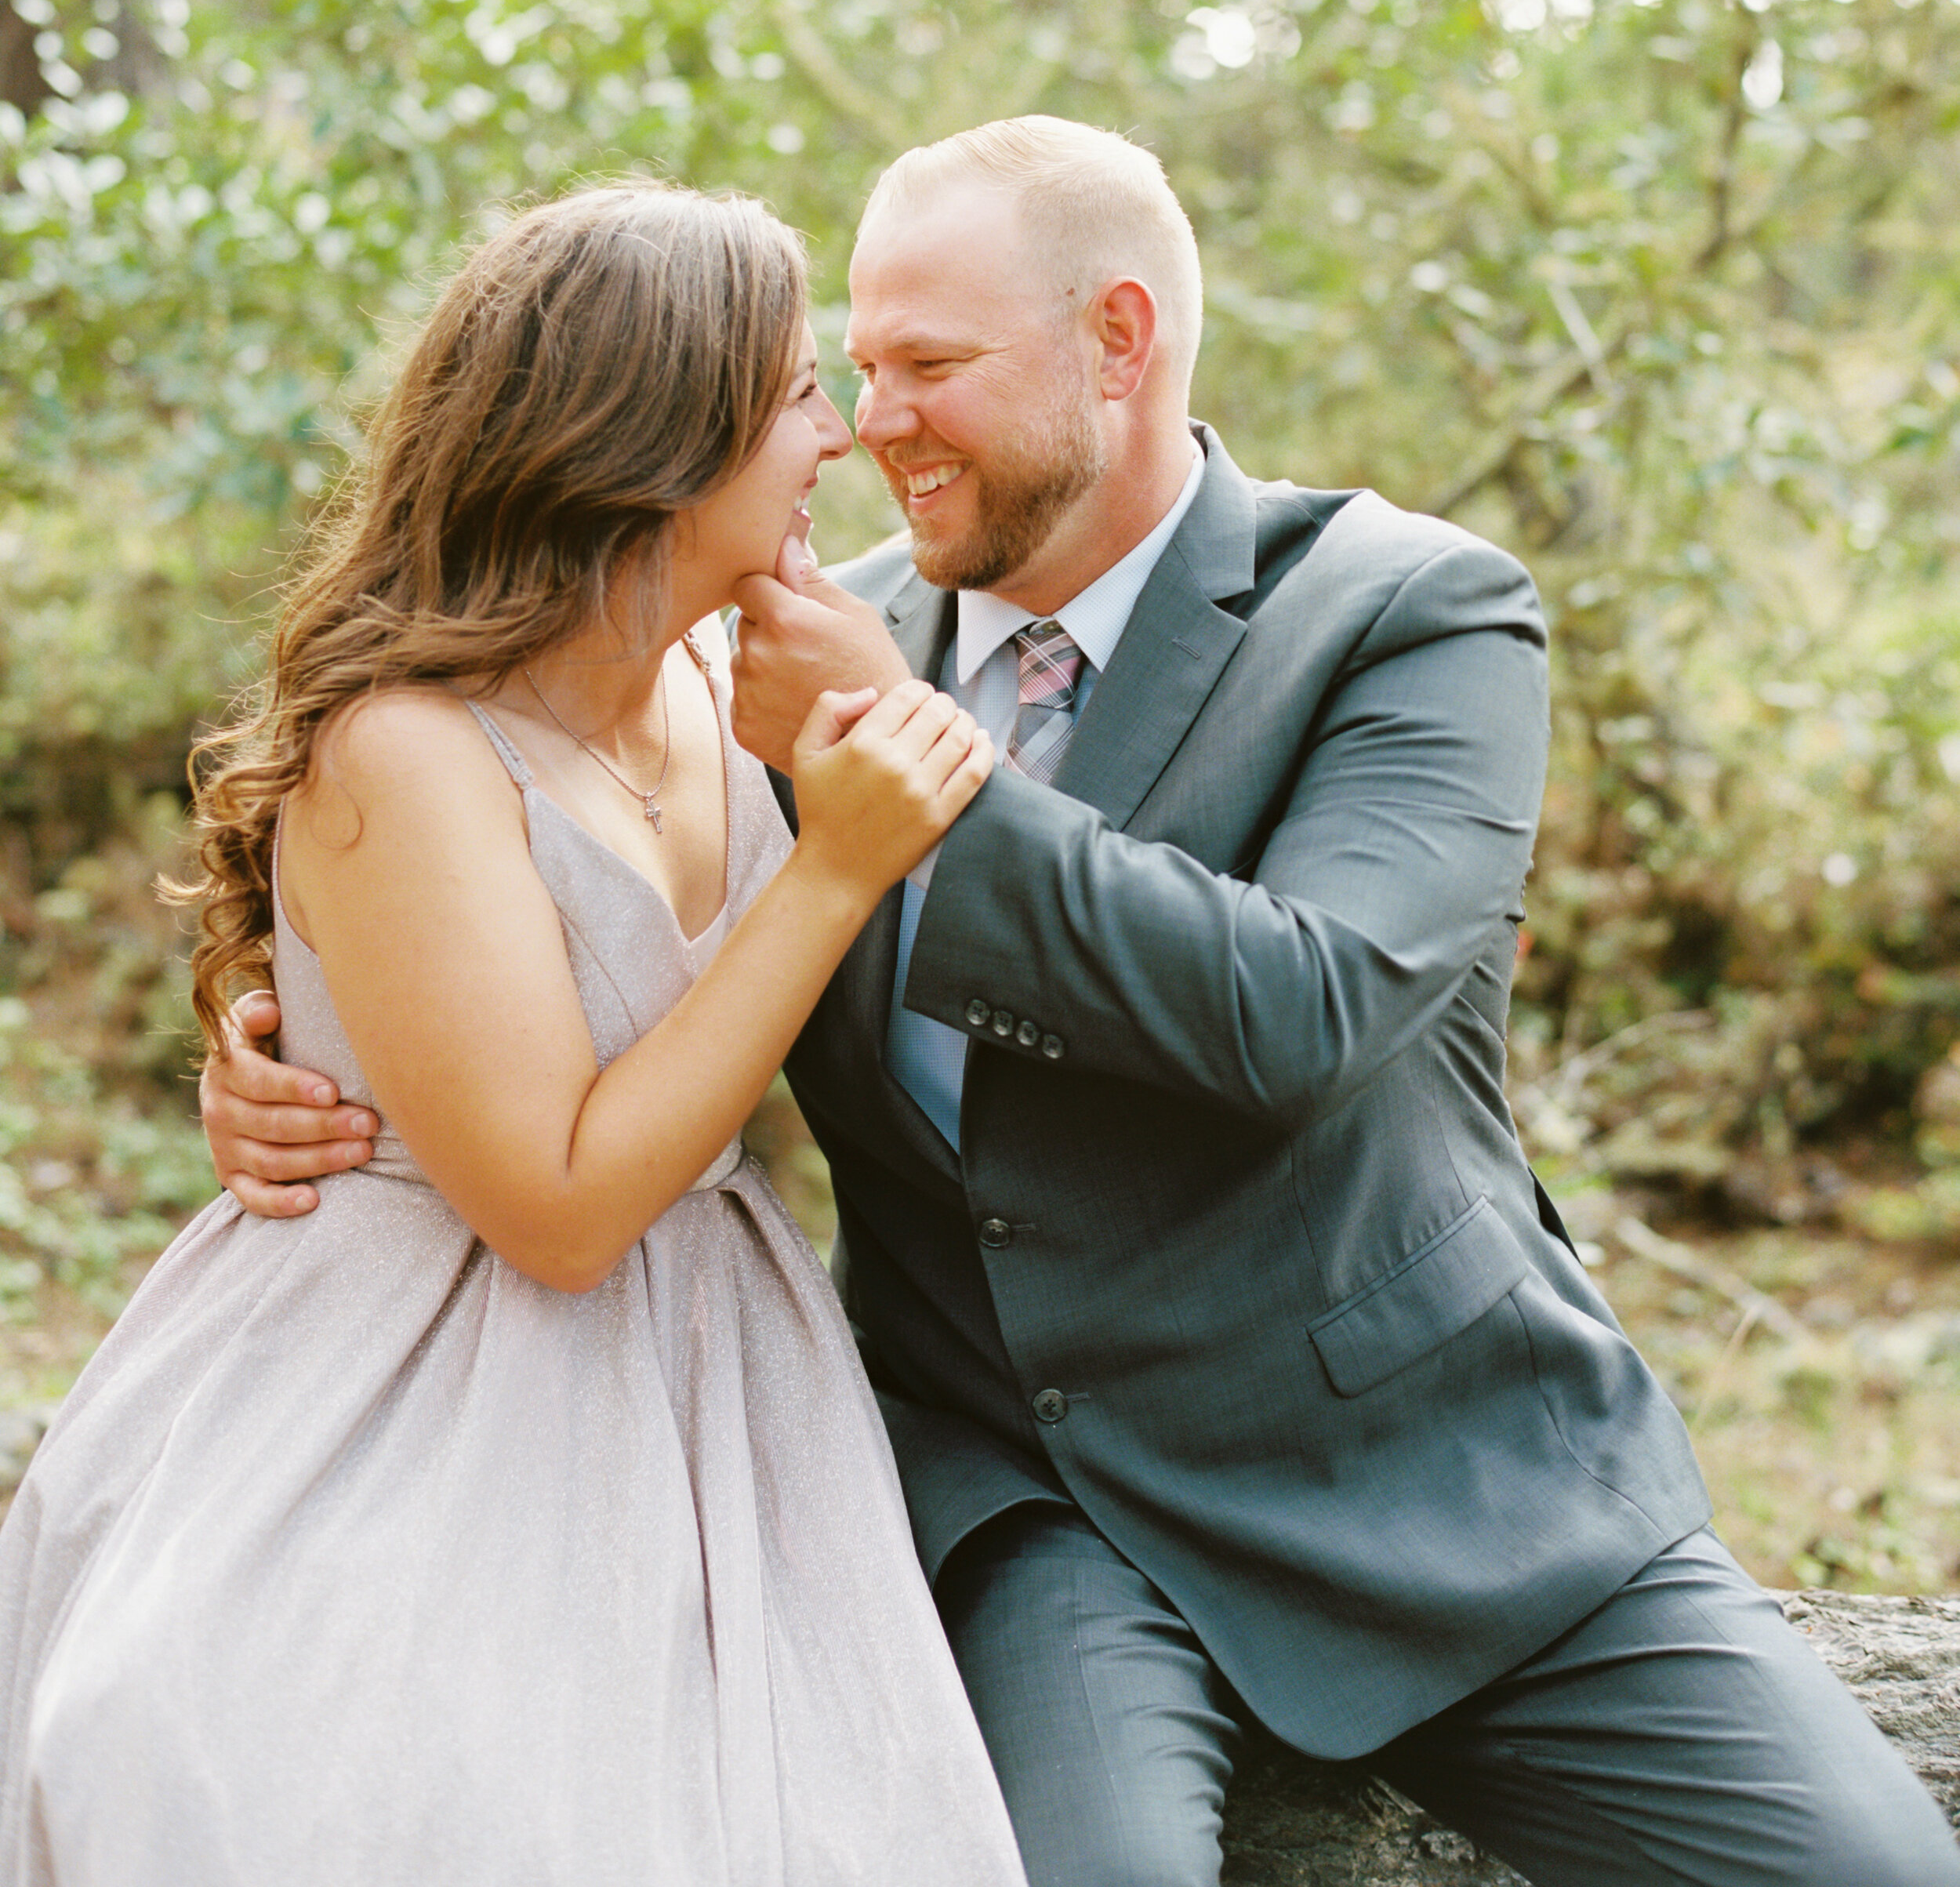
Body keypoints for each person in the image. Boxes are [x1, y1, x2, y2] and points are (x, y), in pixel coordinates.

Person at [204, 124, 1960, 1887]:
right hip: (1039, 1508)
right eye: (854, 367)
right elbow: (564, 915)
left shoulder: (1404, 613)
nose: (870, 421)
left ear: (1116, 341)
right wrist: (308, 1062)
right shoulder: (779, 635)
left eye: (929, 368)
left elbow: (1304, 1011)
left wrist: (920, 770)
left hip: (1441, 1483)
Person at [0, 182, 1029, 1887]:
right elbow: (550, 1207)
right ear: (653, 434)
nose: (837, 439)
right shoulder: (406, 749)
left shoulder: (739, 672)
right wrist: (834, 866)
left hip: (719, 1365)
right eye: (792, 395)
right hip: (411, 1381)